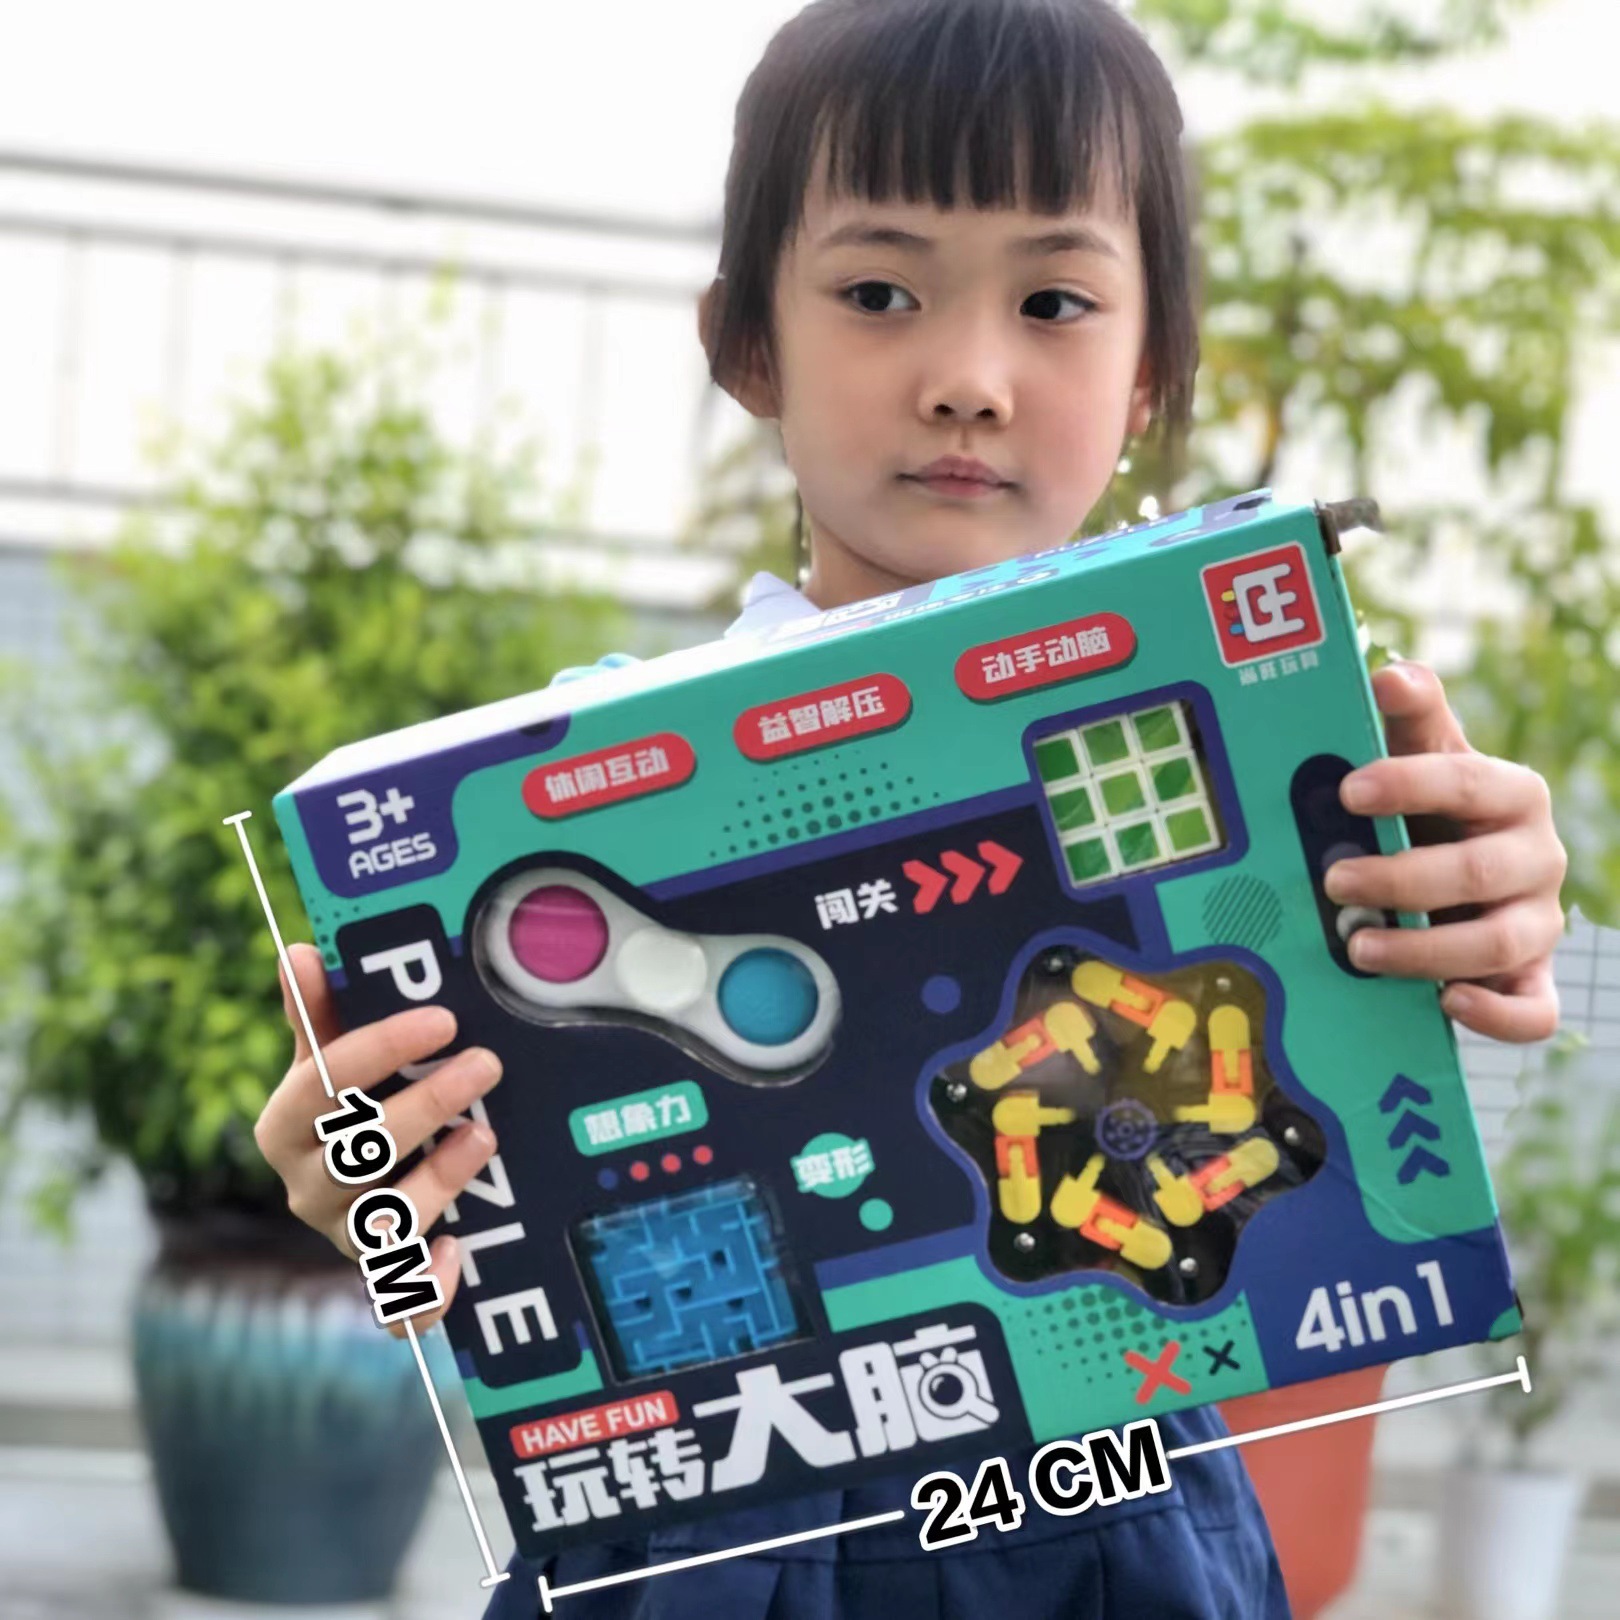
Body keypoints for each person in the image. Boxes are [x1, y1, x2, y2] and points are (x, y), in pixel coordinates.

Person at [256, 1, 1569, 1614]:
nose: (968, 380)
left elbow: (1378, 1092)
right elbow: (455, 1235)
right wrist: (378, 1194)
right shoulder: (544, 816)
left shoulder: (1265, 733)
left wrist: (1480, 909)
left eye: (1055, 300)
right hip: (698, 1539)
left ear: (1149, 369)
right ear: (748, 345)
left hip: (1115, 1510)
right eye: (879, 293)